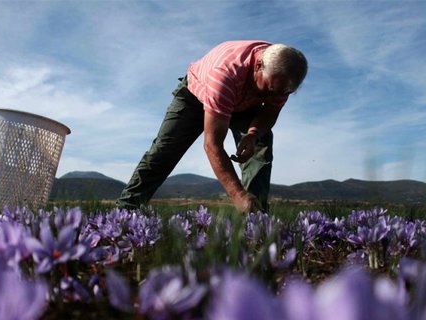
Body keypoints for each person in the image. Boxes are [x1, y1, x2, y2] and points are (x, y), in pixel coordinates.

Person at [116, 40, 308, 213]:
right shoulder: (226, 74)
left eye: (284, 93)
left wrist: (253, 134)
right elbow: (212, 145)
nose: (274, 97)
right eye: (270, 90)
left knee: (260, 148)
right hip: (197, 96)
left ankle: (254, 222)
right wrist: (237, 194)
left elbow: (271, 111)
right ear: (258, 66)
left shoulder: (281, 78)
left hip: (245, 102)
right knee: (164, 152)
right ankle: (125, 213)